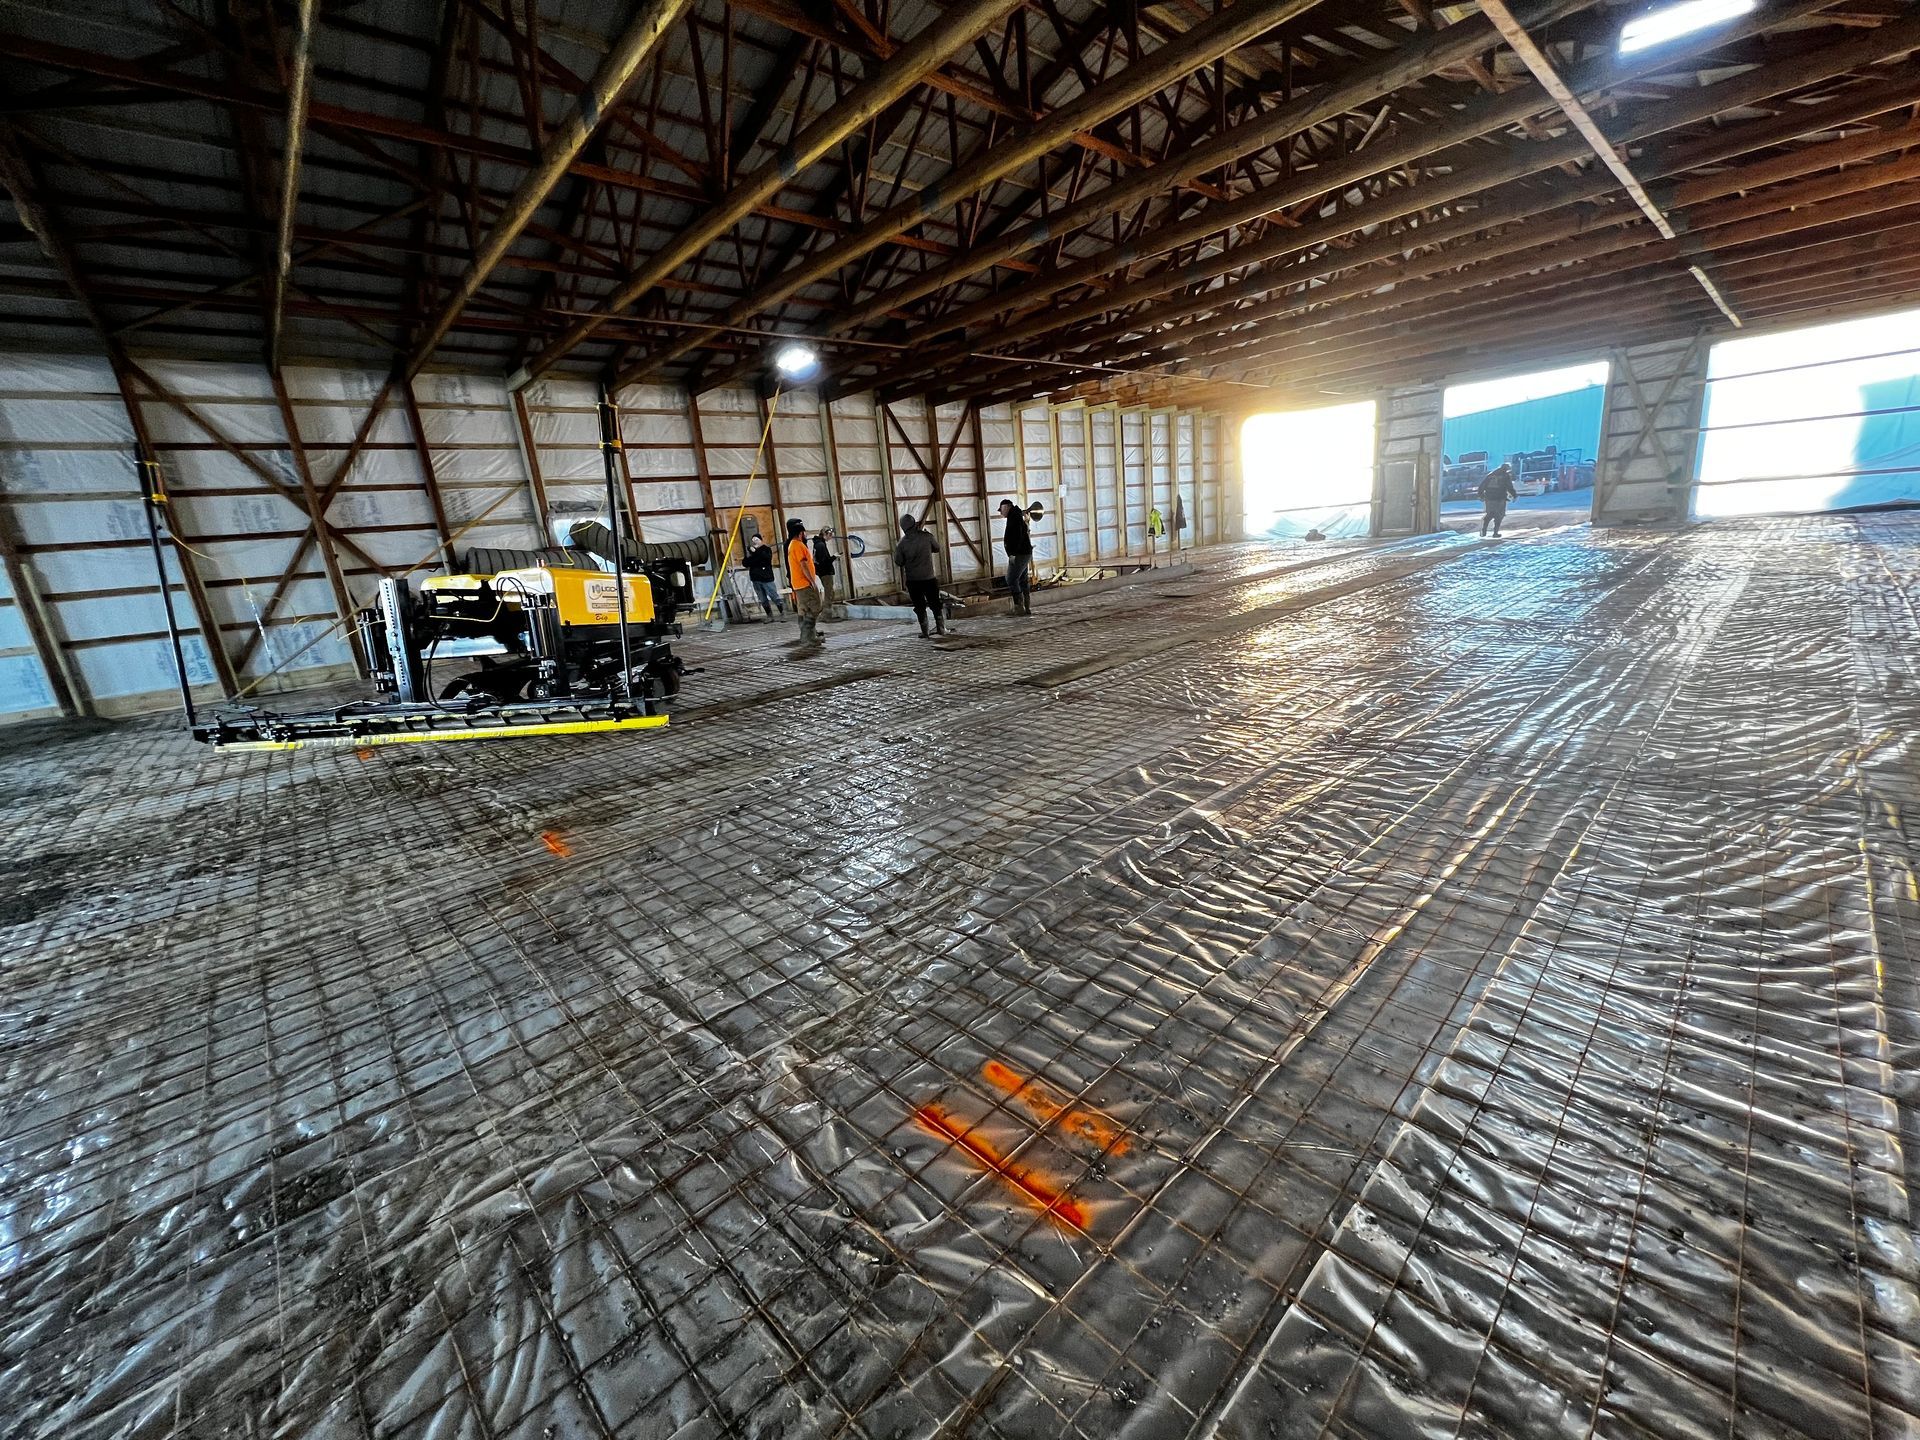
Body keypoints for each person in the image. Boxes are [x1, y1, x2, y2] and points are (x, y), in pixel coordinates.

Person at [895, 512, 944, 638]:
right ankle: (941, 628)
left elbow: (899, 562)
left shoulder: (901, 544)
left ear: (903, 528)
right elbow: (937, 548)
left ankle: (925, 631)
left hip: (913, 580)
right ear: (914, 524)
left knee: (919, 606)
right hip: (929, 578)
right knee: (935, 603)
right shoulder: (927, 537)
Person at [786, 517, 825, 647]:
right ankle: (808, 637)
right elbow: (803, 565)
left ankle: (808, 635)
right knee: (815, 607)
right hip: (804, 583)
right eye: (804, 532)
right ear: (800, 533)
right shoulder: (798, 545)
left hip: (798, 583)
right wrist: (812, 581)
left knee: (804, 609)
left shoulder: (792, 545)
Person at [999, 498, 1034, 615]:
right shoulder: (1015, 516)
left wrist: (1013, 553)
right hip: (1024, 553)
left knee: (1011, 579)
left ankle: (1019, 607)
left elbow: (1016, 536)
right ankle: (1026, 607)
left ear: (1006, 507)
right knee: (1022, 579)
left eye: (1001, 510)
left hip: (1019, 554)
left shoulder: (1014, 518)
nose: (1001, 513)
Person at [742, 535, 784, 618]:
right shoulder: (751, 553)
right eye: (753, 540)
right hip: (755, 579)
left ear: (761, 540)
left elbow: (766, 559)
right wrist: (751, 555)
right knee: (762, 598)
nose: (755, 541)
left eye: (756, 539)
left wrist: (755, 553)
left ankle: (782, 613)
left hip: (766, 578)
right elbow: (745, 563)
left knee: (774, 596)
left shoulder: (766, 549)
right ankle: (769, 616)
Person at [1480, 464, 1517, 537]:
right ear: (1506, 469)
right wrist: (1514, 495)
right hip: (1500, 498)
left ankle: (1483, 531)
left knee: (1490, 514)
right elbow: (1509, 487)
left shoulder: (1490, 475)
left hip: (1489, 498)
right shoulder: (1505, 475)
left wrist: (1481, 495)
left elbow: (1482, 485)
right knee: (1499, 515)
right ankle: (1495, 533)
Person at [811, 529, 838, 615]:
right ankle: (827, 614)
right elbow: (824, 562)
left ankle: (827, 612)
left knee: (830, 592)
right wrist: (834, 557)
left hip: (822, 571)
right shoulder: (821, 545)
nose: (831, 537)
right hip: (825, 572)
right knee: (829, 593)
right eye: (830, 535)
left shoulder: (818, 544)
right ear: (825, 534)